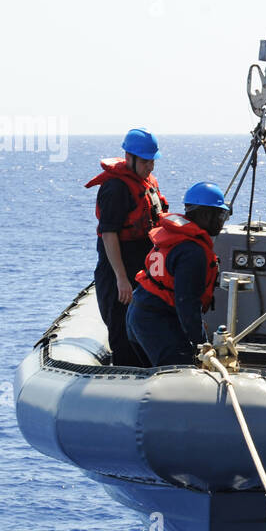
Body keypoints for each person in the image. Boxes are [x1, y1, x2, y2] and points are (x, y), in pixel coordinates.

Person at [83, 128, 168, 366]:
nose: (150, 166)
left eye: (152, 161)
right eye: (145, 161)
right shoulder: (116, 188)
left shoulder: (146, 183)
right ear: (129, 157)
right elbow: (109, 234)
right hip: (119, 270)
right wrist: (121, 279)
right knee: (122, 331)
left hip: (142, 270)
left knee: (145, 329)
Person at [125, 182, 229, 367]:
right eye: (220, 215)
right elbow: (186, 302)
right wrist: (201, 344)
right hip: (156, 320)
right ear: (205, 214)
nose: (222, 221)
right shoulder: (192, 252)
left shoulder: (175, 239)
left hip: (138, 313)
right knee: (178, 373)